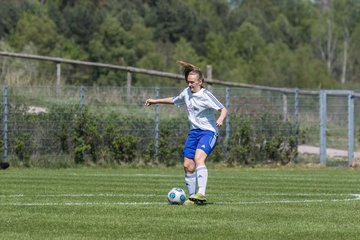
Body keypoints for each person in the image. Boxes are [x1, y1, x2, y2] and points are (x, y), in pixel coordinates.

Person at [145, 61, 227, 205]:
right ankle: (193, 197)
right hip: (194, 133)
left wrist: (220, 119)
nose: (189, 85)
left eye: (192, 82)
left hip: (208, 132)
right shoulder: (186, 92)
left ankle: (201, 193)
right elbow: (174, 100)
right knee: (188, 165)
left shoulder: (206, 95)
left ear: (200, 82)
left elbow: (223, 109)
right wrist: (155, 101)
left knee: (198, 159)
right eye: (188, 82)